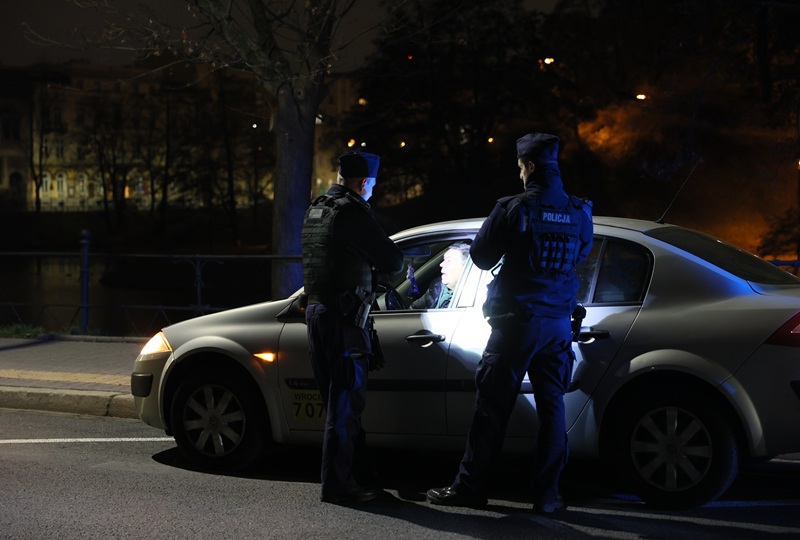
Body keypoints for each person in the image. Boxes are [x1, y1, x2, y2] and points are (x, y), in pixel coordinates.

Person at [426, 132, 593, 514]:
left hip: (517, 324)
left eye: (520, 168)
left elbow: (482, 257)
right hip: (557, 325)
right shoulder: (579, 211)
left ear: (530, 166)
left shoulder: (513, 208)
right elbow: (580, 254)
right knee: (552, 409)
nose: (519, 175)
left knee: (491, 408)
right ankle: (547, 497)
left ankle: (470, 488)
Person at [302, 151, 404, 504]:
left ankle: (362, 477)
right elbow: (393, 260)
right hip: (344, 320)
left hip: (317, 315)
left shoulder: (317, 209)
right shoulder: (352, 213)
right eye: (372, 184)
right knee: (345, 408)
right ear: (363, 182)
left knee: (340, 406)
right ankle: (338, 485)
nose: (372, 190)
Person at [409, 242, 470, 309]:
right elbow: (414, 308)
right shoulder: (437, 286)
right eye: (444, 260)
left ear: (466, 266)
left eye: (449, 260)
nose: (441, 264)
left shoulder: (472, 297)